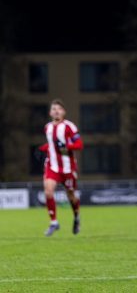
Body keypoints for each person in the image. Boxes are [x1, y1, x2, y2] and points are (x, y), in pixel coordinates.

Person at [37, 99, 84, 236]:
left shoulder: (70, 126)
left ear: (64, 112)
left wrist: (67, 146)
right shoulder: (48, 127)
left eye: (59, 109)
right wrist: (42, 149)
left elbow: (79, 145)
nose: (56, 111)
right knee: (48, 191)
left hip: (68, 168)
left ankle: (76, 216)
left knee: (71, 196)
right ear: (50, 113)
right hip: (52, 166)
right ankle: (54, 222)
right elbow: (52, 145)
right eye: (53, 109)